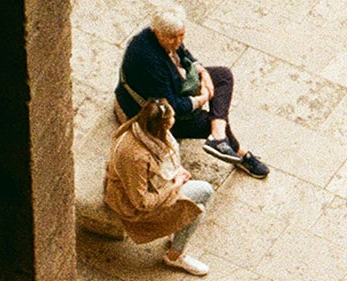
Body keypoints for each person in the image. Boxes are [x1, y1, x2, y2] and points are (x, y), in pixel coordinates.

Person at [114, 6, 268, 178]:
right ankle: (239, 153)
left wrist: (202, 72)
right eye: (173, 37)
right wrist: (201, 99)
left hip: (173, 86)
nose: (178, 41)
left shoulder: (164, 37)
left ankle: (218, 136)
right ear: (157, 31)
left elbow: (183, 52)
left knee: (223, 76)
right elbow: (172, 106)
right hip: (153, 111)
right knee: (209, 120)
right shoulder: (149, 60)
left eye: (181, 35)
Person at [104, 98, 213, 276]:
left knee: (199, 196)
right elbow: (142, 202)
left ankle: (176, 233)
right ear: (160, 127)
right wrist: (176, 184)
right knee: (199, 203)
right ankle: (175, 255)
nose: (174, 121)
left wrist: (177, 172)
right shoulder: (137, 157)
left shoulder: (140, 130)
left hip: (149, 186)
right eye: (170, 121)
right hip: (131, 205)